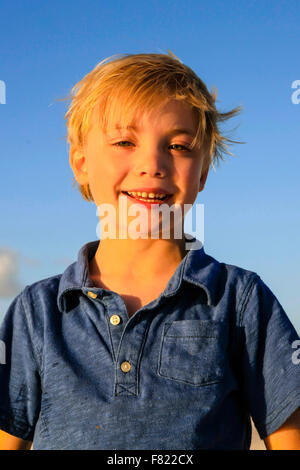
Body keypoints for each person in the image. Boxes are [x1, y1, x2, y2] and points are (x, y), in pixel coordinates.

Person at [0, 52, 299, 450]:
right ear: (81, 163)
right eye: (125, 141)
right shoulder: (37, 312)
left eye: (178, 146)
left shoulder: (240, 300)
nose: (153, 163)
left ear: (203, 171)